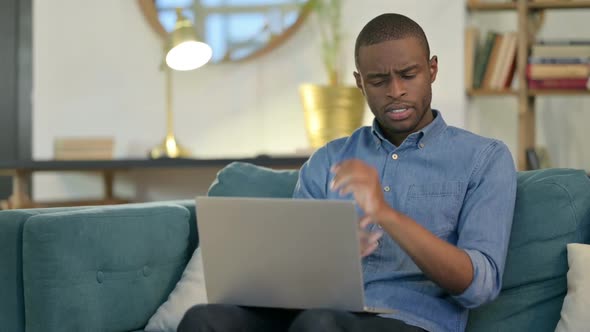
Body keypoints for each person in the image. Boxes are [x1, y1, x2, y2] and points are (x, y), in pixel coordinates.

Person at [178, 12, 517, 332]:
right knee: (204, 319)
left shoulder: (484, 158)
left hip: (410, 320)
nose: (395, 90)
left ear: (432, 70)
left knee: (319, 324)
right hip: (314, 314)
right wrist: (327, 257)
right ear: (359, 82)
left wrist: (384, 213)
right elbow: (293, 277)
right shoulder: (327, 160)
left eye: (408, 75)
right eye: (378, 80)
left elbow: (480, 286)